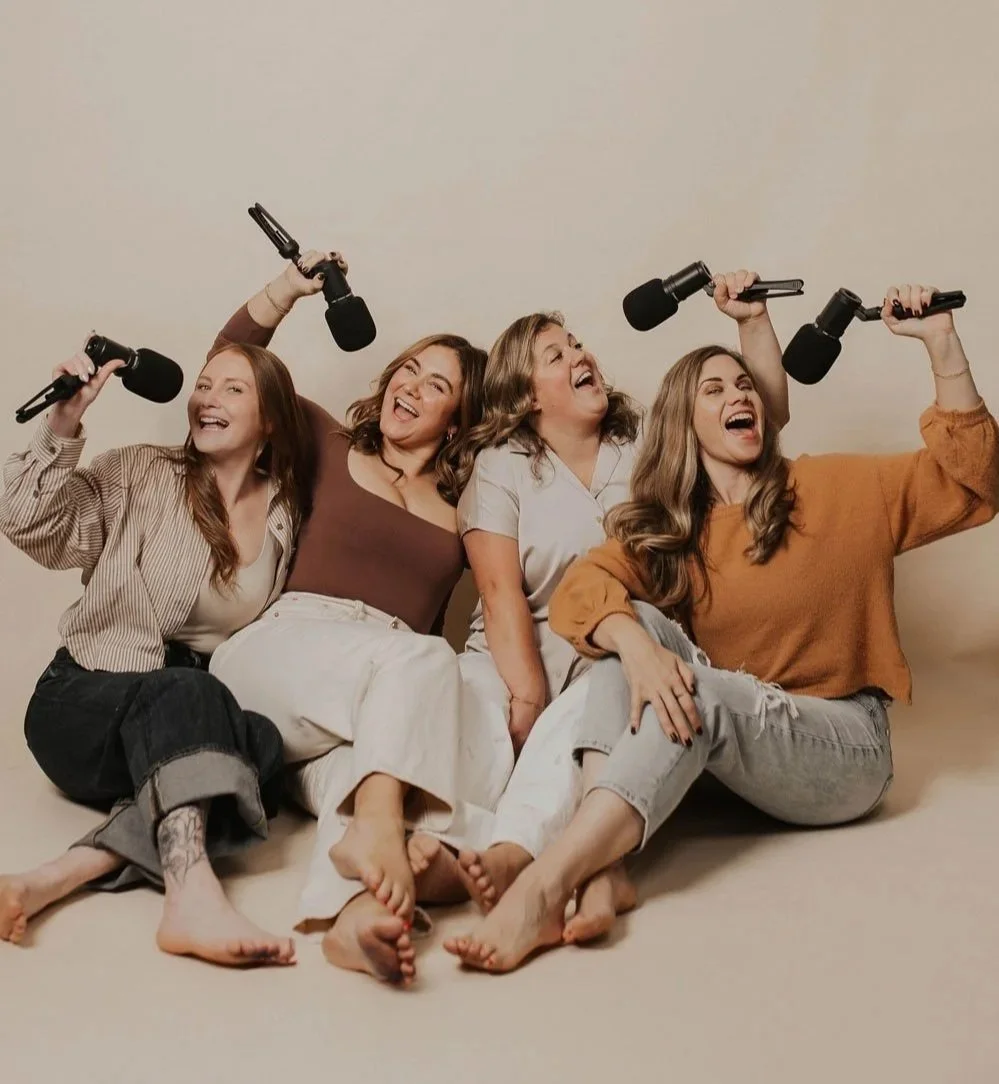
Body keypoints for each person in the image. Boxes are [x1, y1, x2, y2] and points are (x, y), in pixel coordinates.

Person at [444, 283, 999, 972]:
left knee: (690, 685)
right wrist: (635, 645)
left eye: (743, 385)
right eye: (713, 389)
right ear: (683, 424)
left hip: (843, 746)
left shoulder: (839, 488)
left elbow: (972, 483)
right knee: (634, 624)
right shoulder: (674, 533)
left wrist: (941, 345)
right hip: (736, 745)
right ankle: (603, 869)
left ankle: (545, 883)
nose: (738, 394)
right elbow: (583, 593)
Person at [410, 271, 790, 934]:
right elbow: (498, 595)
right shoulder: (501, 464)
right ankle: (433, 848)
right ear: (525, 397)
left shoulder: (643, 446)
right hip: (507, 648)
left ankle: (510, 859)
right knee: (475, 733)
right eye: (554, 356)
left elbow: (763, 419)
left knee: (575, 734)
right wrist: (524, 692)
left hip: (612, 649)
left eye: (578, 346)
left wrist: (750, 322)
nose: (579, 356)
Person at [206, 248, 487, 985]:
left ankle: (355, 921)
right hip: (282, 656)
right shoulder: (330, 446)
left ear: (458, 418)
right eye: (408, 369)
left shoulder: (473, 512)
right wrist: (286, 290)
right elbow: (231, 369)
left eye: (437, 386)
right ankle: (380, 833)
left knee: (369, 785)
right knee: (430, 666)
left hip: (367, 705)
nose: (410, 387)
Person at [0, 339, 315, 967]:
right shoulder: (139, 471)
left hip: (176, 724)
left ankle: (58, 875)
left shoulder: (286, 506)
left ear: (272, 418)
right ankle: (191, 895)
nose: (206, 397)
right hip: (82, 701)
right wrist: (64, 419)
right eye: (204, 383)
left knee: (263, 744)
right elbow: (22, 518)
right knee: (195, 693)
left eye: (232, 388)